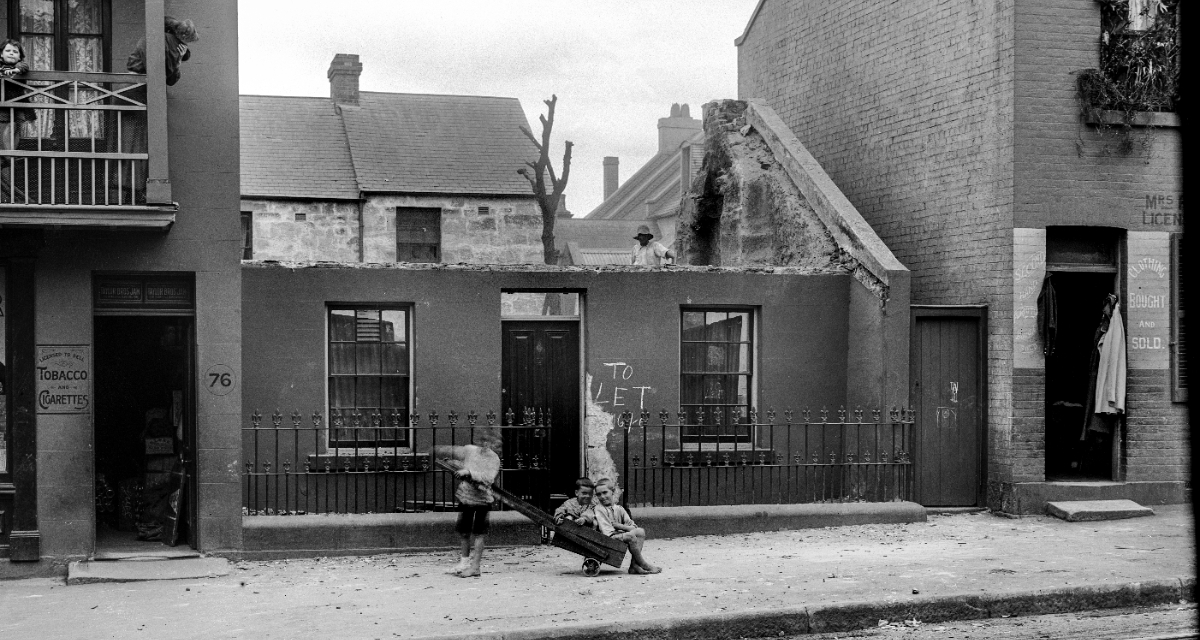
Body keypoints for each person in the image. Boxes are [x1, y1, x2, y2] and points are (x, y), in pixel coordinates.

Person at [432, 431, 502, 578]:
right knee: (464, 531)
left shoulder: (494, 459)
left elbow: (488, 478)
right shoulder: (471, 450)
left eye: (489, 443)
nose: (485, 445)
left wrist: (469, 472)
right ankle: (463, 563)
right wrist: (441, 451)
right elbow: (456, 451)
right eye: (482, 442)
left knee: (479, 533)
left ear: (494, 445)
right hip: (466, 497)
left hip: (482, 500)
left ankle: (475, 567)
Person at [591, 478, 661, 575]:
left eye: (605, 492)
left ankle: (634, 566)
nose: (602, 497)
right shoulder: (599, 509)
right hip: (606, 539)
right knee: (631, 536)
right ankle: (643, 564)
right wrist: (625, 530)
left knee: (640, 532)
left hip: (618, 534)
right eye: (599, 494)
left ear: (613, 492)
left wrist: (620, 526)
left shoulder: (619, 509)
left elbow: (633, 526)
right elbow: (607, 533)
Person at [0, 39, 32, 153]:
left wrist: (16, 70)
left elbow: (24, 66)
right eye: (8, 50)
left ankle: (10, 155)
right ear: (1, 54)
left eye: (15, 51)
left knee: (15, 129)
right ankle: (7, 158)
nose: (11, 53)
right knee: (4, 129)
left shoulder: (20, 65)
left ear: (19, 56)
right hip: (3, 105)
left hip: (18, 105)